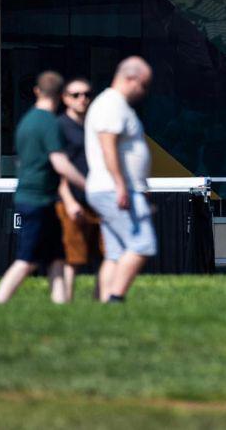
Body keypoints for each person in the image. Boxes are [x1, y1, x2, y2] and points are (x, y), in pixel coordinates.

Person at [0, 71, 86, 304]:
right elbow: (60, 162)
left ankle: (60, 306)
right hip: (38, 200)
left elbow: (21, 160)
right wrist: (88, 184)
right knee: (27, 259)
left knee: (57, 258)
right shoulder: (49, 123)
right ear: (62, 95)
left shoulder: (26, 122)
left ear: (37, 91)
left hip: (36, 199)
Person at [84, 56, 155, 303]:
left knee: (115, 254)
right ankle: (116, 298)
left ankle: (105, 305)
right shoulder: (111, 104)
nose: (144, 92)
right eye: (143, 85)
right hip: (113, 189)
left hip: (115, 188)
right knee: (142, 244)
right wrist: (121, 185)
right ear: (130, 78)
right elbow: (107, 146)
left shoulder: (116, 105)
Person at [54, 77, 105, 300]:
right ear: (65, 98)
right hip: (71, 200)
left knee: (105, 255)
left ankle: (100, 302)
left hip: (97, 198)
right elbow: (57, 169)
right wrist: (69, 201)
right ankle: (66, 304)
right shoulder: (60, 126)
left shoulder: (94, 125)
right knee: (72, 257)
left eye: (87, 94)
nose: (82, 99)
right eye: (76, 95)